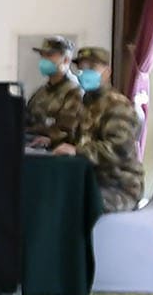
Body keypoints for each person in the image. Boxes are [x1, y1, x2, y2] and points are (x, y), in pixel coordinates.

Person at [60, 45, 143, 213]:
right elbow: (76, 139)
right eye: (81, 68)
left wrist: (78, 151)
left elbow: (119, 149)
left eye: (91, 67)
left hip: (119, 186)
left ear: (107, 71)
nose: (84, 72)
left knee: (71, 205)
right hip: (92, 181)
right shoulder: (85, 103)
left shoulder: (117, 105)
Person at [24, 34, 84, 150]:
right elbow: (28, 120)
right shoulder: (41, 92)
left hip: (58, 153)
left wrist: (51, 138)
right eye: (42, 56)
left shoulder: (74, 91)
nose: (44, 61)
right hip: (34, 146)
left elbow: (68, 130)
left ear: (66, 60)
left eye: (49, 55)